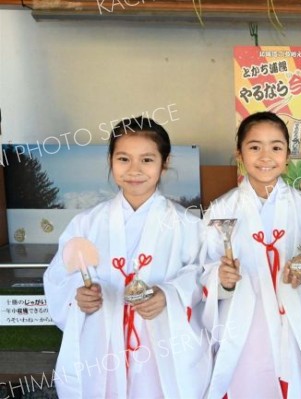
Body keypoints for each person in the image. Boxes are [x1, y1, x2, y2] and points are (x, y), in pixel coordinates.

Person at [43, 117, 211, 398]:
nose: (135, 170)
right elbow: (59, 277)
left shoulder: (187, 224)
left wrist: (168, 294)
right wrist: (78, 297)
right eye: (124, 159)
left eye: (147, 160)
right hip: (103, 345)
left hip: (162, 345)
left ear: (164, 162)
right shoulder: (87, 223)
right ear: (110, 160)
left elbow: (202, 273)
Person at [200, 111, 301, 399]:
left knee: (297, 380)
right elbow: (201, 267)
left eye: (276, 147)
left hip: (296, 320)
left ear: (287, 155)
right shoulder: (221, 210)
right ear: (239, 154)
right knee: (247, 382)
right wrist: (222, 279)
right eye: (254, 147)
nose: (265, 156)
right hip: (246, 323)